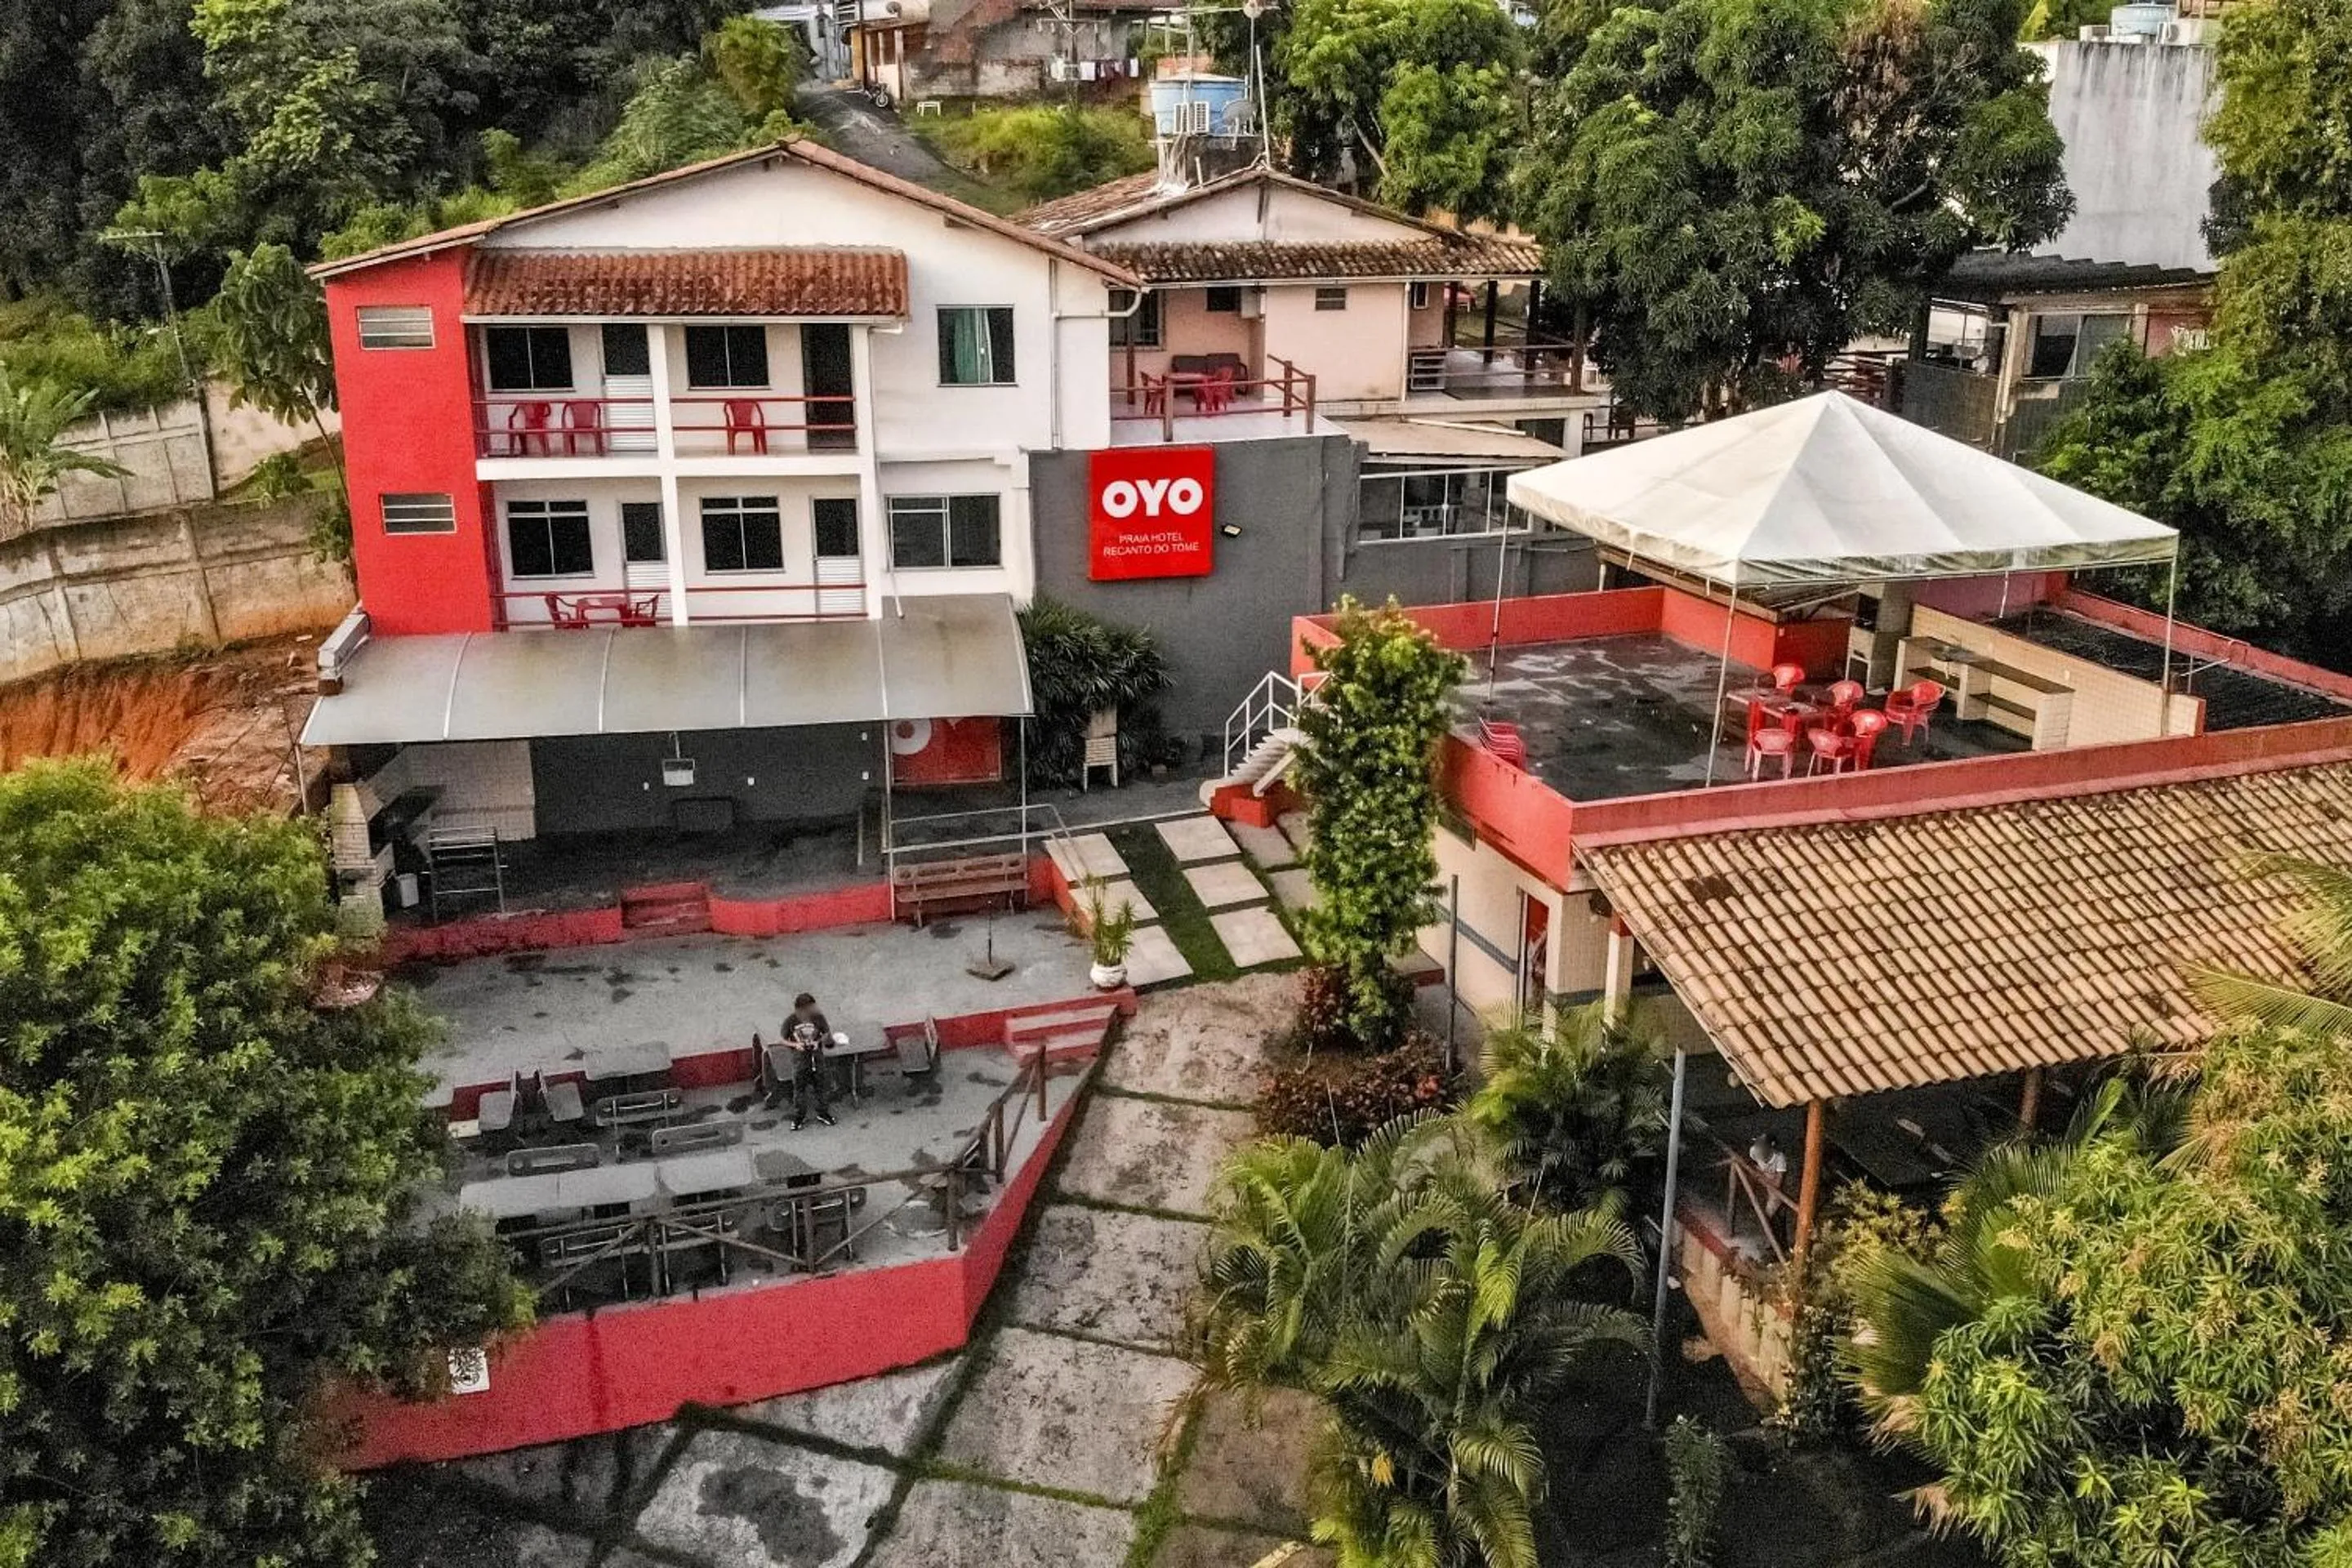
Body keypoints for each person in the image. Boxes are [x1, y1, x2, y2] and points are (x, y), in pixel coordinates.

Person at [784, 991, 838, 1129]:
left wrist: (819, 1041)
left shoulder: (819, 1019)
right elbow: (783, 1040)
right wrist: (796, 1045)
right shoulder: (791, 1021)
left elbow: (826, 1034)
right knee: (799, 1090)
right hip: (800, 1062)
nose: (812, 1010)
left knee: (821, 1088)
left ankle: (823, 1113)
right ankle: (799, 1117)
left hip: (817, 1060)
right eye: (809, 1008)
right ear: (800, 1009)